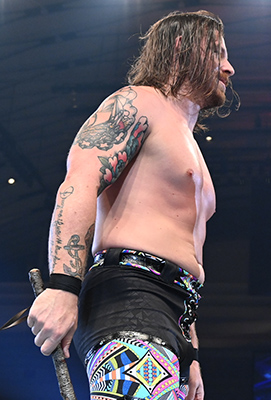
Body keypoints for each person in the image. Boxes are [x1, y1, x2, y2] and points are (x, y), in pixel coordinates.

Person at [26, 10, 236, 400]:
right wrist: (62, 286)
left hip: (173, 312)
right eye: (218, 52)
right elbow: (79, 183)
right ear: (182, 47)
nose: (229, 68)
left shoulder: (187, 141)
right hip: (128, 296)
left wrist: (190, 354)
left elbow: (183, 257)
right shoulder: (137, 102)